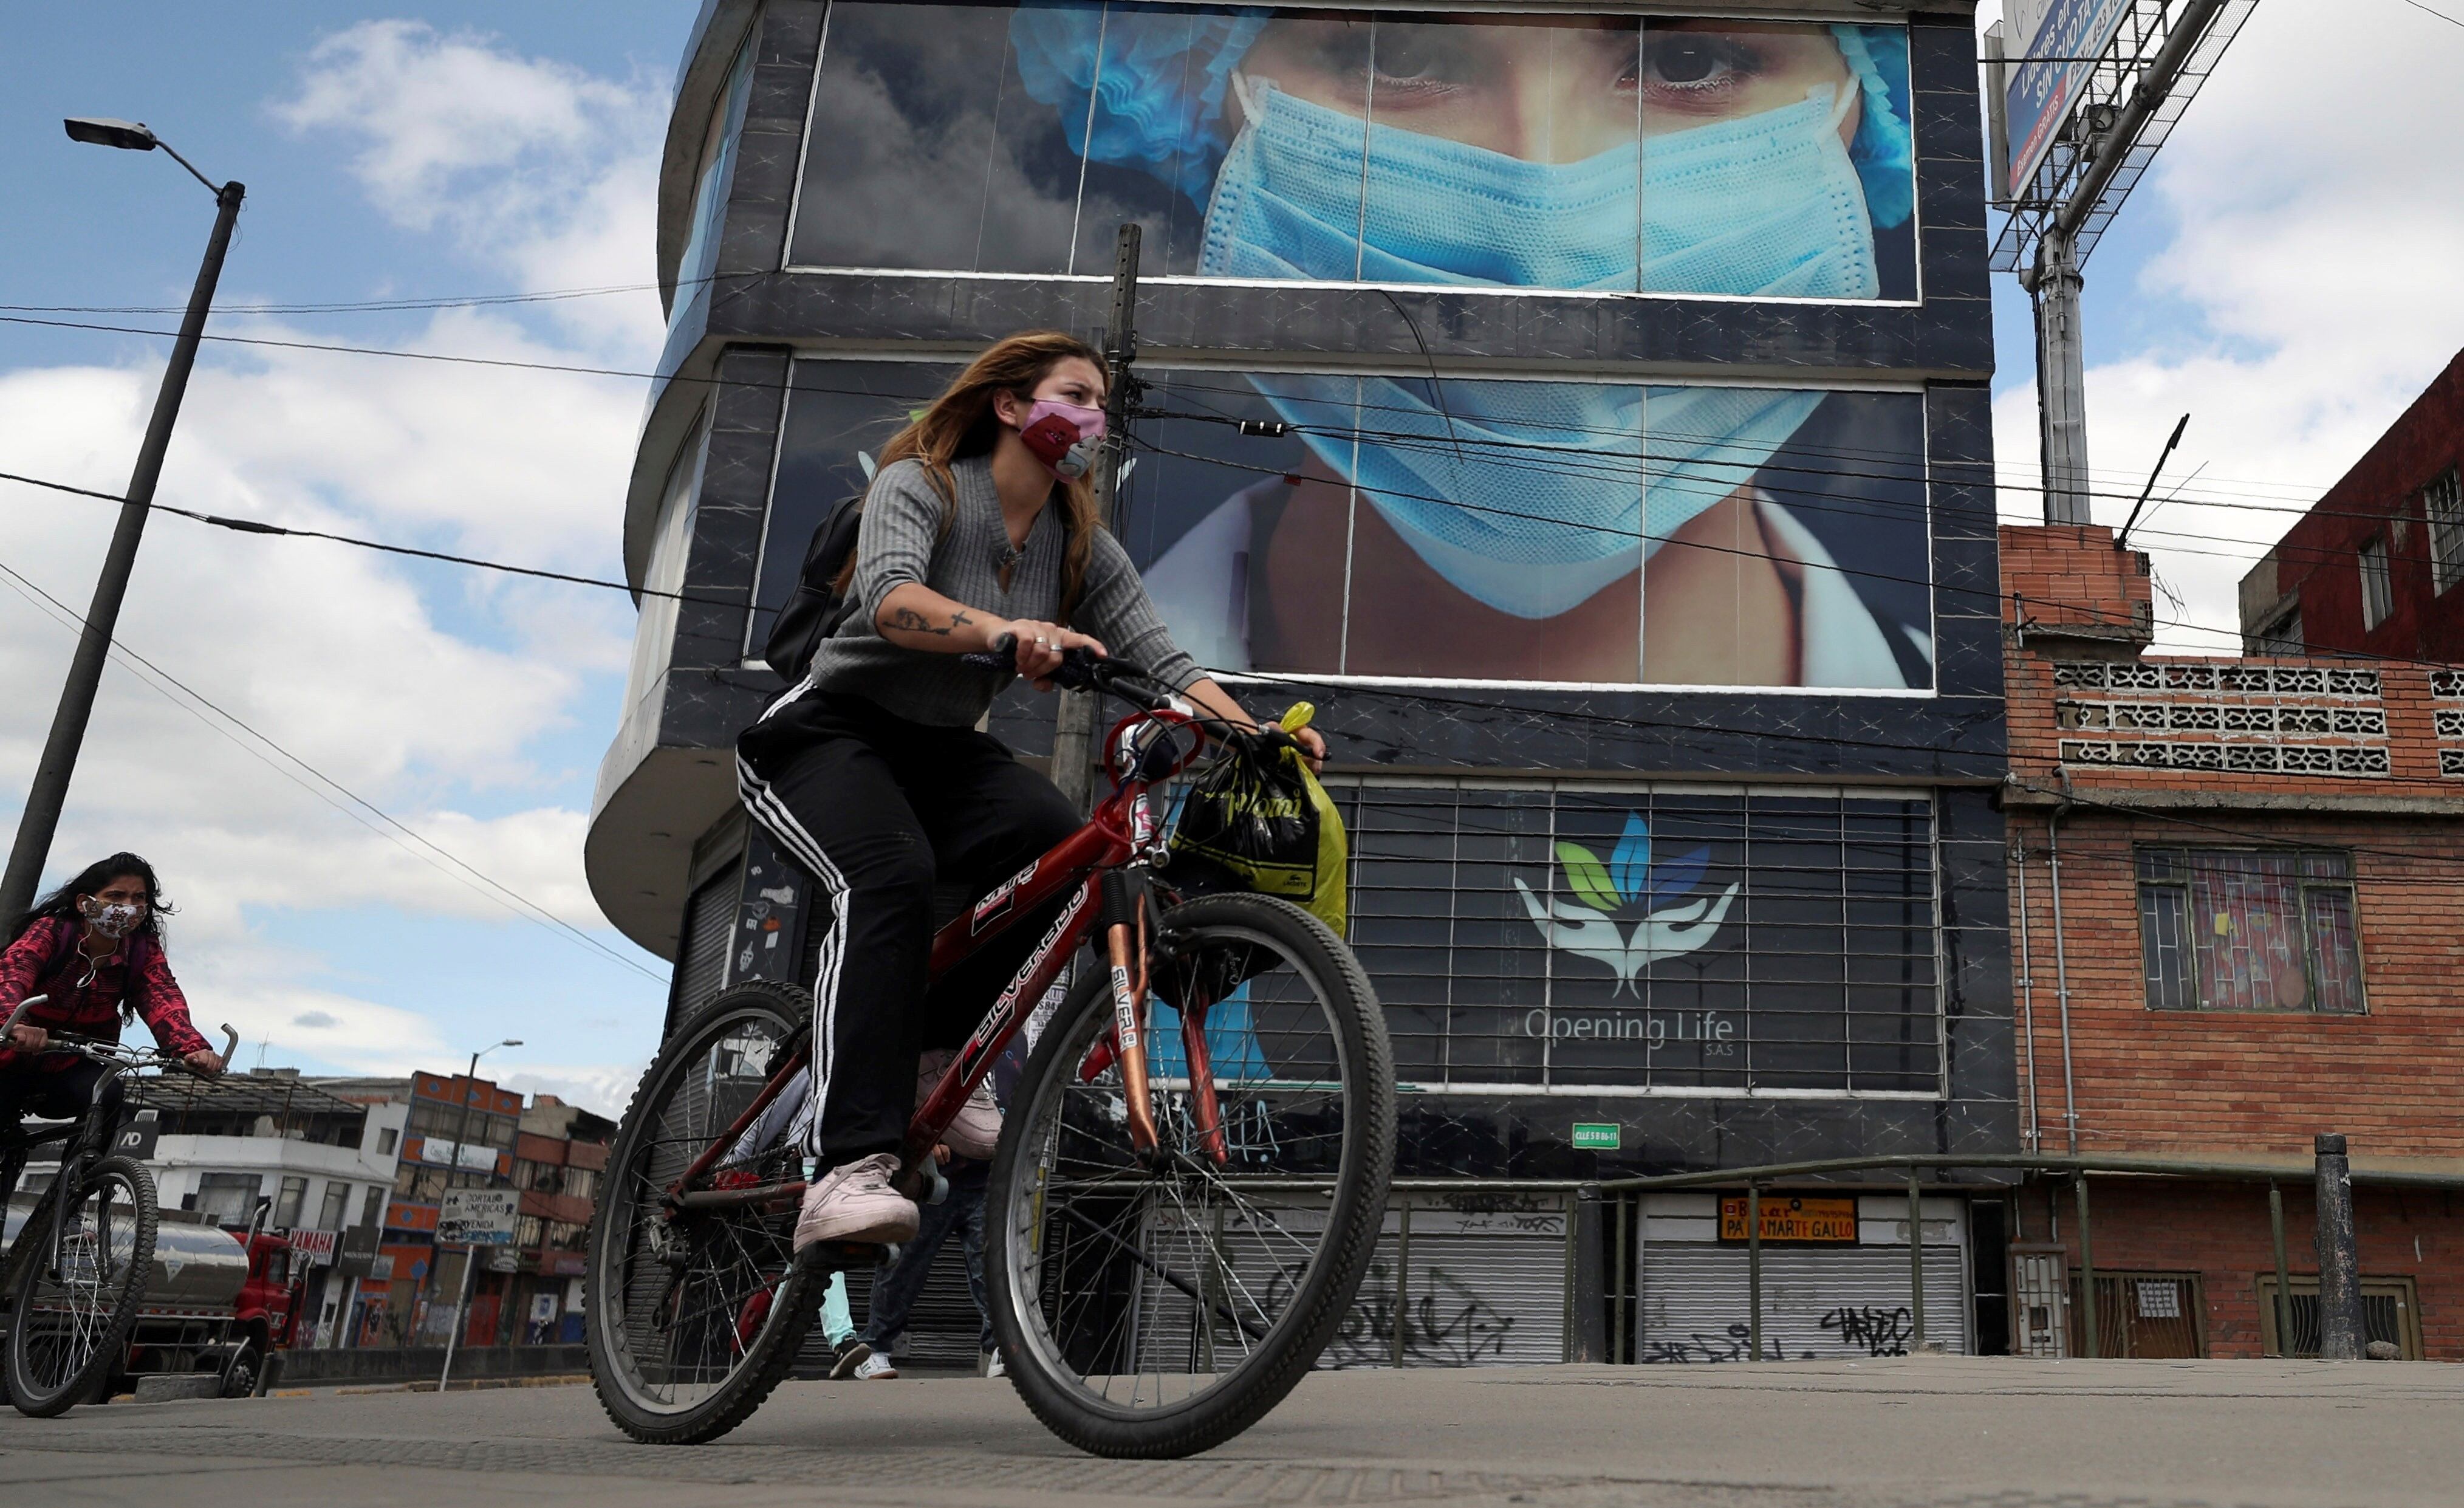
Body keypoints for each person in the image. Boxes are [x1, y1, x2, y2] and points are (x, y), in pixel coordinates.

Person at [1001, 12, 1926, 688]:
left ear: (1864, 112)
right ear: (1204, 96)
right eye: (1397, 53)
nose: (1541, 226)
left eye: (1687, 59)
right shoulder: (1022, 729)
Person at [737, 330, 1325, 1251]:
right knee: (888, 878)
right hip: (828, 731)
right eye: (1078, 395)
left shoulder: (1077, 542)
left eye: (1101, 404)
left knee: (1054, 851)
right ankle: (845, 1165)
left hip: (940, 750)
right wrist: (1002, 629)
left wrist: (1260, 736)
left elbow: (1164, 660)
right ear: (1012, 406)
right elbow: (891, 599)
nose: (1096, 416)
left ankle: (934, 1059)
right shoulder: (925, 484)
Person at [0, 854, 224, 1219]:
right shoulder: (52, 932)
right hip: (10, 1055)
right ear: (85, 902)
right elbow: (12, 974)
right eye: (117, 896)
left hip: (71, 1064)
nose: (129, 908)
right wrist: (13, 1023)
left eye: (139, 899)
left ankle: (69, 1206)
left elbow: (161, 996)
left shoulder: (141, 950)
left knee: (107, 1092)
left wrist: (191, 1048)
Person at [846, 1145, 998, 1381]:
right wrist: (930, 1141)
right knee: (905, 1266)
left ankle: (1000, 1347)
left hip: (987, 1179)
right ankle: (875, 1347)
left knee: (993, 1265)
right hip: (933, 1178)